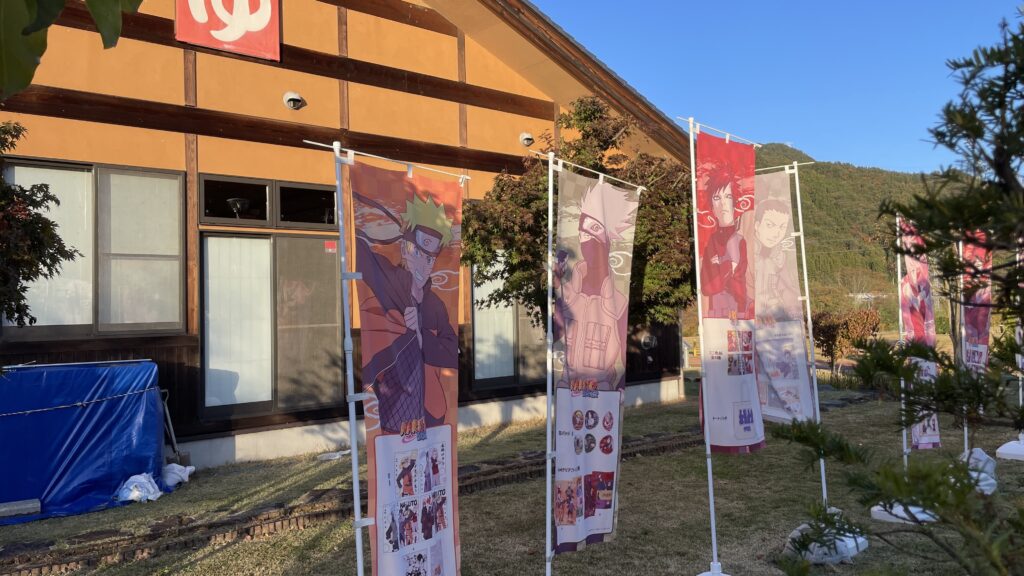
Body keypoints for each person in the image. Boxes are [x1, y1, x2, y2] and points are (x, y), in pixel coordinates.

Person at [357, 195, 459, 434]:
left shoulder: (435, 304)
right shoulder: (390, 280)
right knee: (398, 466)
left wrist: (422, 332)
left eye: (430, 258)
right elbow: (360, 251)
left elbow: (451, 350)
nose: (424, 264)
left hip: (431, 414)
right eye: (418, 251)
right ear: (404, 247)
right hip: (395, 411)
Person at [554, 182, 639, 390]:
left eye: (594, 229)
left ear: (608, 238)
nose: (586, 239)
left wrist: (620, 383)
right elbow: (557, 333)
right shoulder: (569, 292)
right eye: (582, 233)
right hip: (568, 387)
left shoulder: (617, 301)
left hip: (601, 390)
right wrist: (556, 287)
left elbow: (623, 349)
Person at [700, 165, 753, 319]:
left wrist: (721, 265)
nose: (723, 203)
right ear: (712, 206)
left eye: (728, 197)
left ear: (735, 202)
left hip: (738, 311)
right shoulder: (712, 240)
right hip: (716, 311)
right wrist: (727, 265)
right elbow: (707, 287)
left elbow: (736, 277)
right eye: (717, 198)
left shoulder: (739, 239)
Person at [752, 197, 801, 322]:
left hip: (775, 314)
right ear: (757, 225)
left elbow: (787, 289)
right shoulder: (743, 252)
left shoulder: (781, 257)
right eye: (770, 225)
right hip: (749, 316)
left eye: (782, 227)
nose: (776, 233)